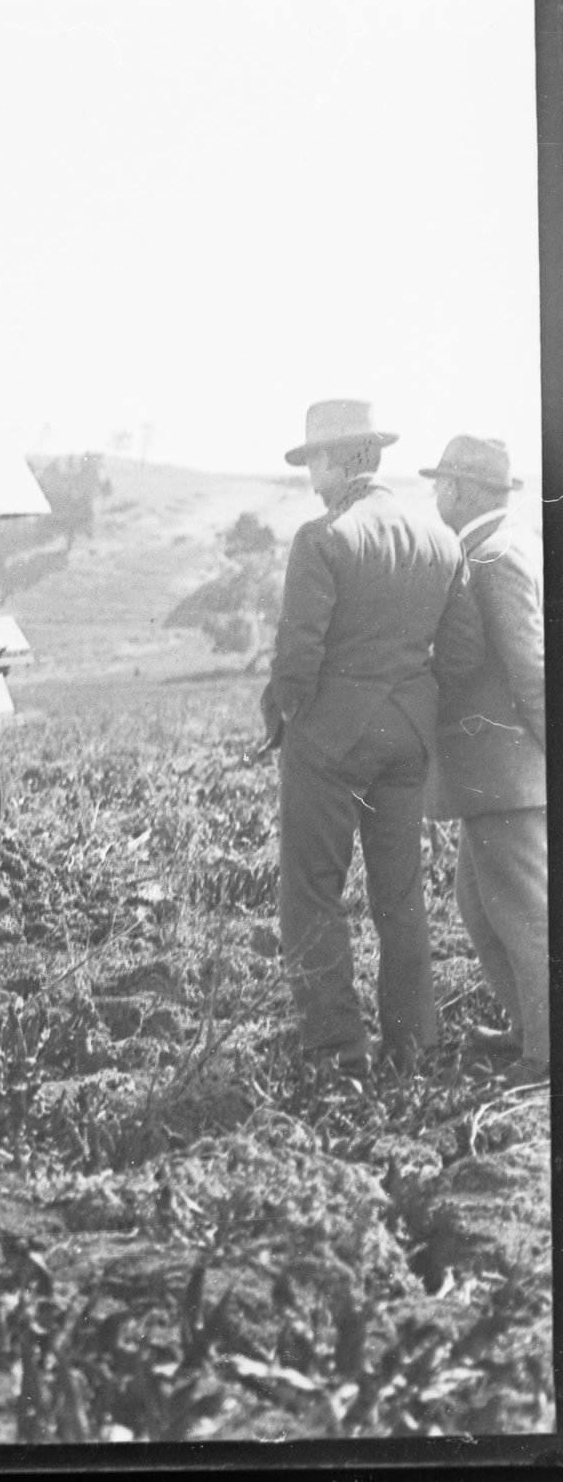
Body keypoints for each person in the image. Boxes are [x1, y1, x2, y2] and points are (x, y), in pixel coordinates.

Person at [259, 400, 485, 1078]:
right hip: (407, 737)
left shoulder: (323, 537)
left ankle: (336, 1049)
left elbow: (296, 656)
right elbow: (465, 653)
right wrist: (415, 701)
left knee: (312, 891)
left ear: (337, 460)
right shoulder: (440, 541)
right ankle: (415, 1045)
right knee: (401, 896)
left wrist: (286, 713)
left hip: (330, 741)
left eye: (314, 462)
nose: (311, 477)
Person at [422, 436, 547, 1086]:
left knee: (522, 914)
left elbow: (531, 670)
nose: (436, 494)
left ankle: (544, 1053)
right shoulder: (504, 545)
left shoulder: (492, 557)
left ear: (466, 490)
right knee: (479, 905)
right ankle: (528, 1029)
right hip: (493, 772)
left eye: (442, 482)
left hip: (506, 770)